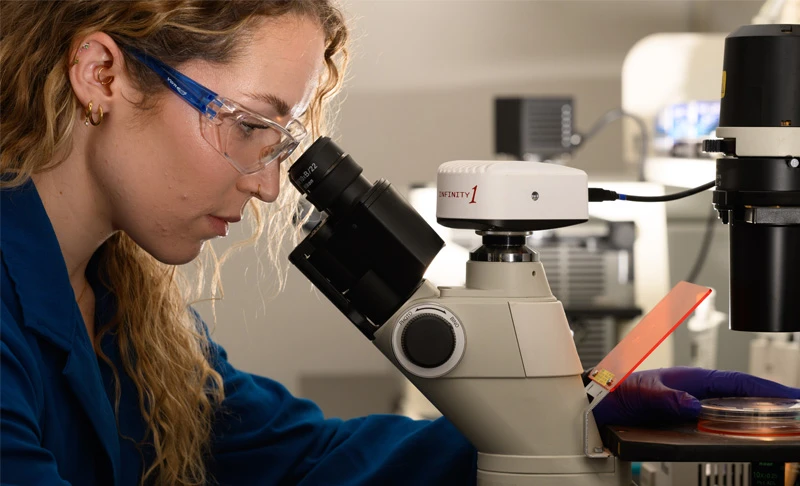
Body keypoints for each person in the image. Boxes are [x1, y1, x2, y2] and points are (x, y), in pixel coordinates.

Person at [1, 2, 798, 485]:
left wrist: (555, 429)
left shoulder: (128, 311)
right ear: (101, 73)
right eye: (247, 125)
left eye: (276, 142)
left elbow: (301, 461)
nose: (270, 185)